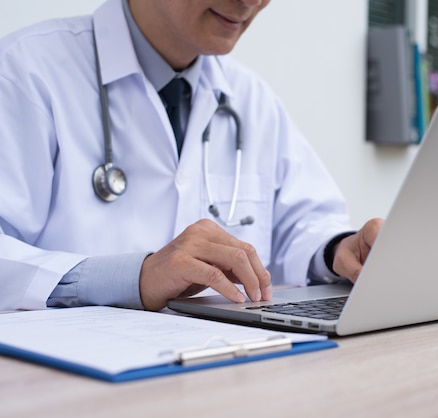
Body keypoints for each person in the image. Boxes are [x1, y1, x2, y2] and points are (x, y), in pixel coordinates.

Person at [0, 0, 382, 312]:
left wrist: (337, 250)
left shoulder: (250, 98)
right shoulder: (24, 72)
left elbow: (303, 225)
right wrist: (134, 277)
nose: (251, 2)